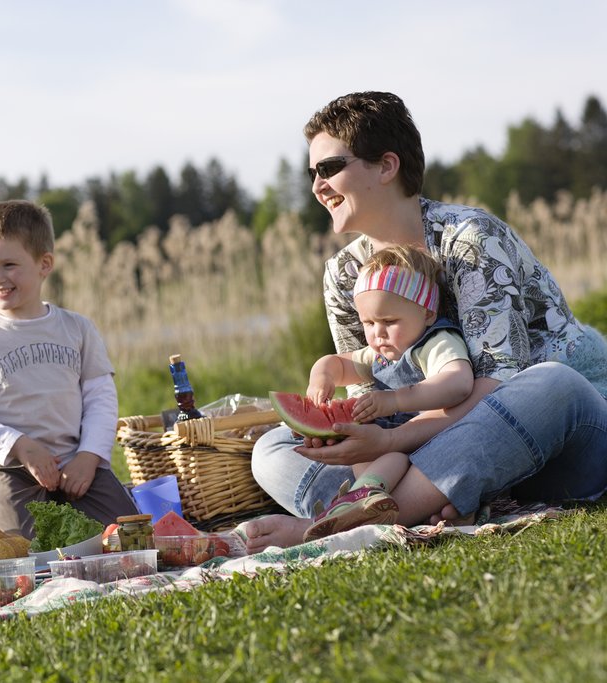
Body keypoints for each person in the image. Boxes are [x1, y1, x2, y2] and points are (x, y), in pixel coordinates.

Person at [240, 91, 607, 551]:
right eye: (311, 173)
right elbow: (368, 400)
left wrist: (389, 442)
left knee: (555, 384)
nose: (317, 186)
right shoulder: (344, 274)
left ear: (386, 166)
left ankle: (358, 521)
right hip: (440, 452)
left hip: (556, 435)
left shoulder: (469, 239)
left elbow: (497, 386)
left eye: (329, 168)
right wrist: (358, 438)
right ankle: (426, 499)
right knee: (270, 449)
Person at [0, 199, 138, 538]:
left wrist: (90, 456)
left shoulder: (78, 329)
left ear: (44, 263)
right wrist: (20, 445)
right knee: (22, 548)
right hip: (10, 467)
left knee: (126, 534)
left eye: (9, 264)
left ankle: (70, 498)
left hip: (75, 462)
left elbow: (100, 398)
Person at [300, 245, 473, 541]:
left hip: (433, 445)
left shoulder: (436, 342)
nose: (378, 333)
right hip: (393, 452)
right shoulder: (382, 353)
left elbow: (458, 382)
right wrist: (322, 377)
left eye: (389, 322)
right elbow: (337, 364)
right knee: (361, 444)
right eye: (368, 323)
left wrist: (395, 400)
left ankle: (357, 502)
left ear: (427, 313)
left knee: (393, 457)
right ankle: (369, 501)